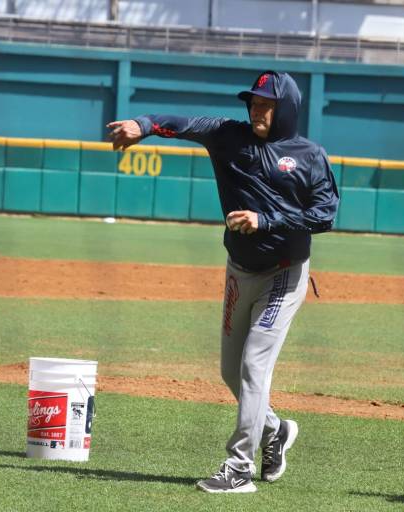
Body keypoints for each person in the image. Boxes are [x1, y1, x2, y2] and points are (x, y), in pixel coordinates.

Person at [106, 70, 340, 494]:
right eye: (253, 102)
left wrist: (266, 219)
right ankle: (275, 430)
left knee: (254, 366)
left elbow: (325, 214)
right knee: (230, 371)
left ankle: (238, 469)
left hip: (284, 275)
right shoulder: (228, 136)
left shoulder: (308, 155)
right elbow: (179, 123)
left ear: (286, 108)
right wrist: (142, 124)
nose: (256, 110)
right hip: (239, 270)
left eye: (266, 104)